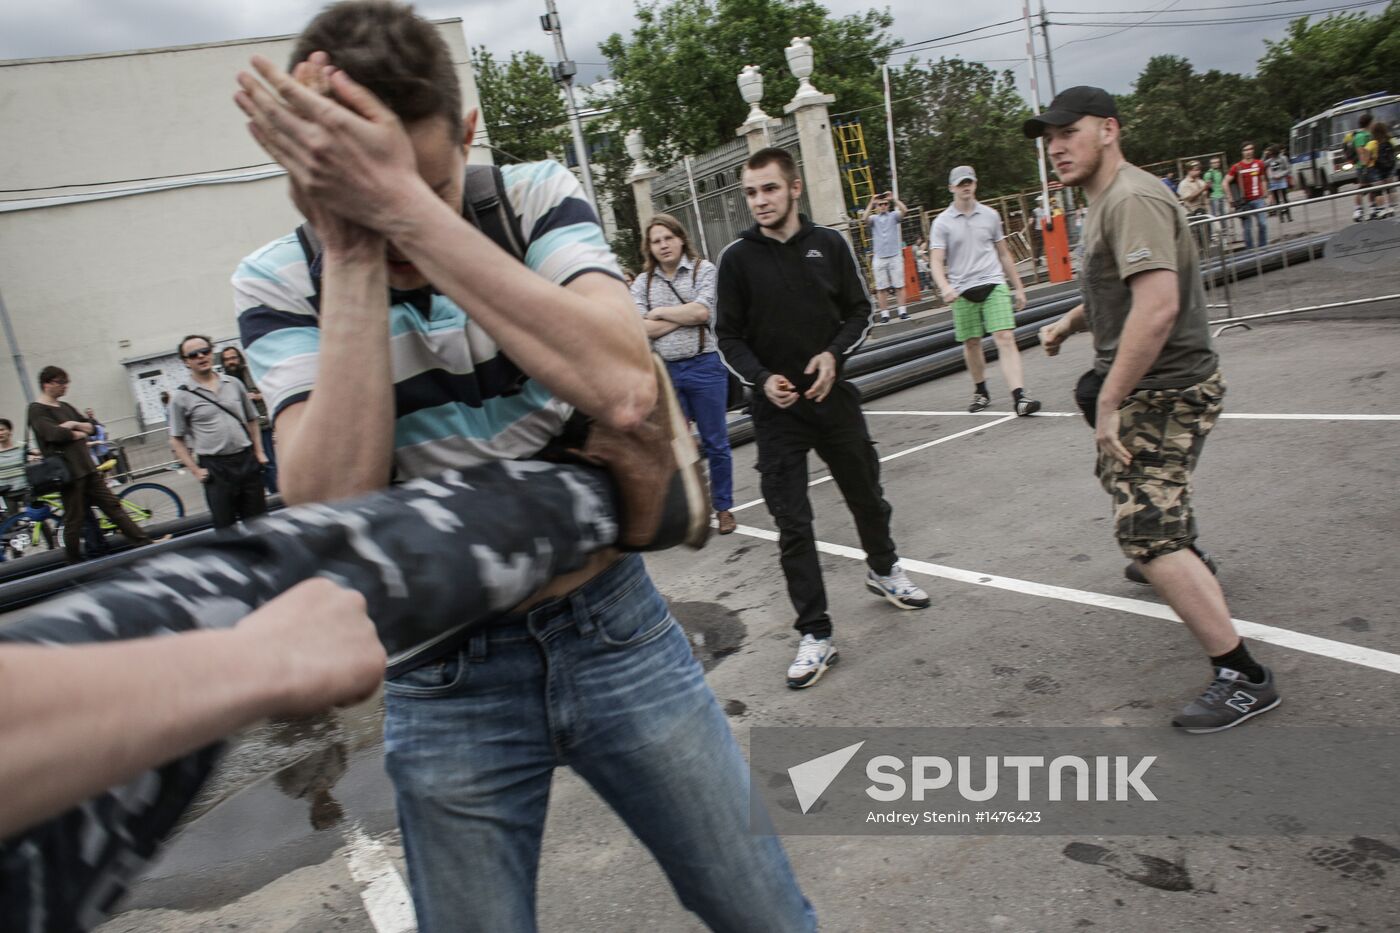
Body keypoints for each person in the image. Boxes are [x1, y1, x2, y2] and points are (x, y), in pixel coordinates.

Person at [232, 4, 813, 930]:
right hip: (442, 673)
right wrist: (350, 245)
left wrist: (412, 217)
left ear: (465, 134)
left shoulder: (532, 195)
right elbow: (330, 502)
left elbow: (624, 385)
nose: (404, 250)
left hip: (614, 628)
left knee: (765, 912)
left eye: (424, 187)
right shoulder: (281, 277)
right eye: (365, 199)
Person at [1029, 85, 1281, 734]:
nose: (1056, 147)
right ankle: (1187, 559)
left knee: (1146, 531)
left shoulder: (1132, 198)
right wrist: (1068, 323)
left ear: (1109, 129)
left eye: (1069, 132)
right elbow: (1121, 292)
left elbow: (1159, 305)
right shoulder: (1108, 200)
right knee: (1137, 496)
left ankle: (1244, 677)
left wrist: (1111, 398)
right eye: (1049, 137)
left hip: (1168, 389)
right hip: (1147, 383)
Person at [717, 146, 931, 691]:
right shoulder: (737, 259)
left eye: (769, 188)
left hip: (833, 400)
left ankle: (884, 571)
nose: (759, 200)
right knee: (794, 524)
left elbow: (860, 312)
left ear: (794, 189)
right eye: (750, 192)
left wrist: (834, 355)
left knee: (866, 494)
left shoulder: (829, 245)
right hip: (776, 411)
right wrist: (761, 378)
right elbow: (727, 337)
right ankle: (815, 633)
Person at [632, 214, 736, 534]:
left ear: (680, 239)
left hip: (705, 366)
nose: (663, 245)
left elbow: (704, 311)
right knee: (675, 447)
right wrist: (685, 316)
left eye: (668, 238)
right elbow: (638, 327)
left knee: (716, 442)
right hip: (666, 373)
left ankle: (724, 508)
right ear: (649, 247)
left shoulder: (704, 270)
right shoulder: (643, 282)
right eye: (656, 240)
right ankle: (692, 510)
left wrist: (660, 313)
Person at [928, 165, 1041, 417]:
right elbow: (936, 261)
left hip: (993, 283)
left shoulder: (990, 215)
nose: (965, 187)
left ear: (975, 184)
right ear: (951, 188)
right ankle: (981, 391)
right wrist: (944, 286)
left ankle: (1019, 396)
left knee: (1005, 337)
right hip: (961, 289)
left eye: (969, 182)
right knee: (972, 343)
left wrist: (1019, 287)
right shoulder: (942, 223)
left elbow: (1003, 253)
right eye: (960, 184)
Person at [27, 366, 154, 562]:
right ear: (47, 384)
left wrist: (73, 426)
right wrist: (75, 431)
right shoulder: (37, 409)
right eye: (61, 382)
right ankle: (74, 562)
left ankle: (144, 544)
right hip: (69, 473)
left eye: (66, 382)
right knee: (74, 519)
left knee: (113, 507)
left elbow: (92, 427)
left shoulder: (65, 407)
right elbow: (53, 434)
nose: (65, 386)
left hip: (87, 468)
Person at [168, 335, 269, 529]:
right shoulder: (181, 397)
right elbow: (176, 439)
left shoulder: (233, 384)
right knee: (226, 527)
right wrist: (195, 470)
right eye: (193, 354)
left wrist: (259, 452)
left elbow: (252, 419)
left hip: (246, 461)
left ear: (211, 352)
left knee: (259, 523)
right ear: (186, 361)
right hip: (216, 468)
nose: (201, 356)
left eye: (205, 351)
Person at [220, 344, 278, 493]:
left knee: (268, 462)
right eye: (227, 360)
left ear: (239, 358)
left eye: (233, 358)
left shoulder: (253, 373)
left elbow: (271, 392)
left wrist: (256, 396)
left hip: (261, 425)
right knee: (253, 466)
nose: (231, 362)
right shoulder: (223, 381)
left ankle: (277, 495)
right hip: (240, 430)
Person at [861, 189, 910, 322]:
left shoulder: (893, 216)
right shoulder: (874, 219)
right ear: (877, 207)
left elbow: (905, 210)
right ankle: (885, 314)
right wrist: (872, 202)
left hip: (894, 255)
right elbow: (863, 218)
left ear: (888, 205)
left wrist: (894, 199)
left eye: (885, 204)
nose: (883, 206)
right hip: (880, 257)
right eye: (880, 204)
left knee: (899, 285)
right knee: (881, 288)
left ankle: (902, 311)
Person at [1224, 141, 1268, 249]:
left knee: (1263, 224)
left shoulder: (1259, 164)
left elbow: (1263, 179)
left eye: (1250, 149)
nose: (1248, 152)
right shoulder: (1237, 167)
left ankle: (1263, 247)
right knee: (1247, 229)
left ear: (1253, 150)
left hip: (1258, 199)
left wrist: (1266, 193)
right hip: (1244, 202)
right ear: (1242, 152)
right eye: (1245, 150)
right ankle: (1250, 251)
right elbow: (1225, 182)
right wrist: (1230, 198)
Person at [1359, 119, 1396, 219]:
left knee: (1378, 191)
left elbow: (1365, 160)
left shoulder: (1372, 143)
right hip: (1389, 167)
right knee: (1390, 189)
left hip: (1375, 168)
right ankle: (1392, 207)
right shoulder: (1391, 140)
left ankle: (1381, 209)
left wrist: (1366, 163)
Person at [1176, 160, 1212, 254]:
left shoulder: (1200, 181)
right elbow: (1190, 198)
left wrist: (1208, 189)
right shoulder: (1184, 184)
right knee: (1196, 241)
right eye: (1195, 170)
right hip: (1192, 214)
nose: (1198, 172)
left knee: (1207, 239)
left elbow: (1206, 196)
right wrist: (1203, 189)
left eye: (1199, 169)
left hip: (1203, 213)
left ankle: (1207, 256)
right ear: (1189, 170)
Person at [0, 418, 31, 517]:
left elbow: (34, 458)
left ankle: (48, 533)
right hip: (7, 493)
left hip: (26, 489)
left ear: (9, 431)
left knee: (37, 518)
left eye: (2, 430)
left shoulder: (22, 447)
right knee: (11, 523)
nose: (0, 433)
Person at [1263, 145, 1293, 222]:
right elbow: (1262, 164)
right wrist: (1264, 155)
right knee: (1276, 200)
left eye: (1272, 153)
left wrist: (1281, 175)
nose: (1271, 155)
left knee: (1285, 198)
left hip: (1282, 181)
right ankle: (1281, 217)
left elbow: (1288, 169)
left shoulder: (1283, 158)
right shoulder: (1270, 160)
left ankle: (1289, 216)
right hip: (1273, 182)